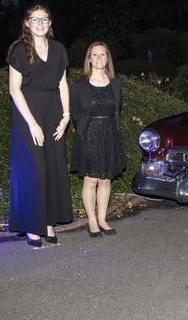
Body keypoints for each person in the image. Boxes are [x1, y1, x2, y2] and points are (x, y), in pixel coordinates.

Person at [7, 5, 73, 247]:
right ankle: (31, 226)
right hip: (28, 114)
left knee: (54, 168)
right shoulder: (18, 50)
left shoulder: (58, 49)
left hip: (53, 112)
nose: (40, 23)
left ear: (50, 22)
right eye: (35, 19)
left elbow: (63, 84)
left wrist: (66, 116)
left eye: (44, 19)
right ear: (26, 22)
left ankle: (48, 222)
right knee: (35, 171)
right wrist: (32, 123)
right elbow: (14, 89)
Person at [70, 41, 126, 238]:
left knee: (105, 179)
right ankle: (92, 221)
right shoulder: (79, 86)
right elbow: (75, 113)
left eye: (103, 55)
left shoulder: (116, 84)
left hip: (109, 134)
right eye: (95, 55)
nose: (99, 58)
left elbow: (116, 110)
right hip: (89, 135)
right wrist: (86, 131)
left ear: (107, 58)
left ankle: (102, 219)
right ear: (89, 59)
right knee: (91, 179)